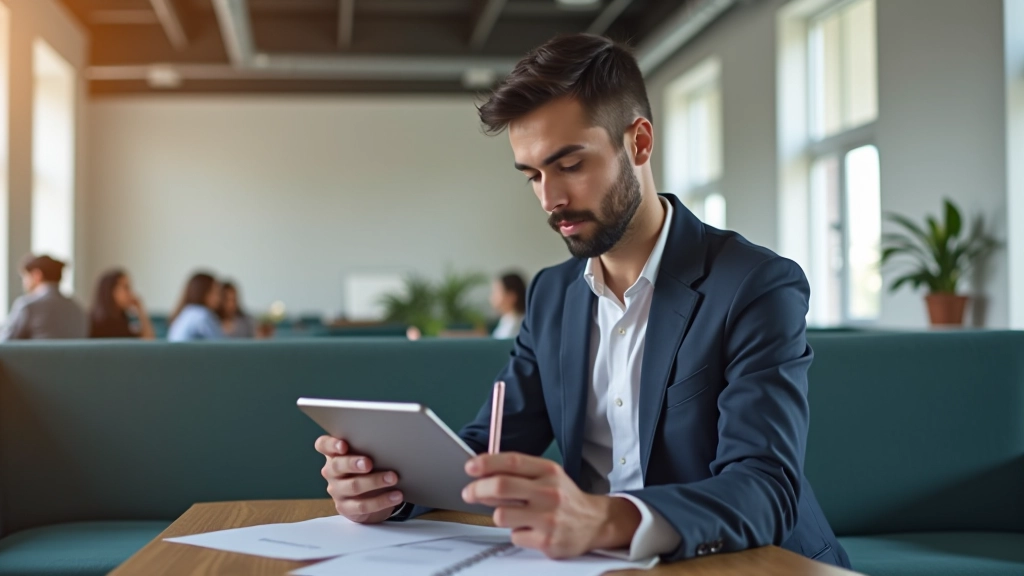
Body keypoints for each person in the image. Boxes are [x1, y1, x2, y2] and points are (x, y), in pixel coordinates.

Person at [314, 34, 849, 568]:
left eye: (570, 165)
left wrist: (605, 518)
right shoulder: (552, 295)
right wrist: (389, 489)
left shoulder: (755, 285)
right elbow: (492, 447)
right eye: (533, 175)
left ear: (639, 143)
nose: (550, 199)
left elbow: (765, 487)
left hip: (749, 563)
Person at [0, 255, 87, 341]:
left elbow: (5, 341)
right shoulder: (77, 308)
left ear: (37, 275)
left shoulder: (28, 305)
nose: (24, 282)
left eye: (25, 277)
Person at [88, 269, 155, 339]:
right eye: (126, 288)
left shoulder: (123, 321)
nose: (130, 293)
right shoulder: (92, 324)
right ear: (111, 291)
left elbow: (148, 340)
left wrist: (140, 310)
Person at [167, 272, 224, 342]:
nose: (219, 298)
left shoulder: (187, 311)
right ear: (203, 292)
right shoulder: (201, 314)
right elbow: (220, 343)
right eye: (216, 292)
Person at [489, 272, 526, 339]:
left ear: (511, 296)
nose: (492, 297)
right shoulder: (506, 320)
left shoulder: (516, 325)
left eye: (496, 292)